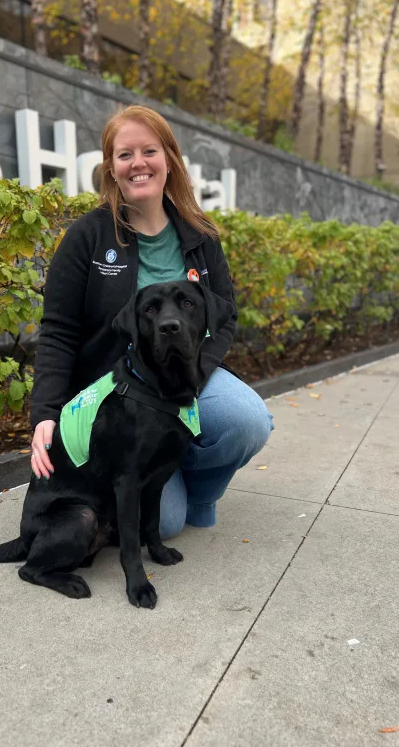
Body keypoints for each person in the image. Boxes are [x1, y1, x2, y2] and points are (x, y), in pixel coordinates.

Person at [29, 104, 273, 538]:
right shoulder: (88, 236)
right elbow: (59, 331)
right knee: (164, 526)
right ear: (111, 168)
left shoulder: (201, 236)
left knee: (247, 421)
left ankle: (194, 488)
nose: (138, 163)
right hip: (117, 392)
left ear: (170, 159)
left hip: (184, 373)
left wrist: (196, 376)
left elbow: (225, 315)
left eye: (149, 151)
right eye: (125, 155)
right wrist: (46, 414)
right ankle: (148, 469)